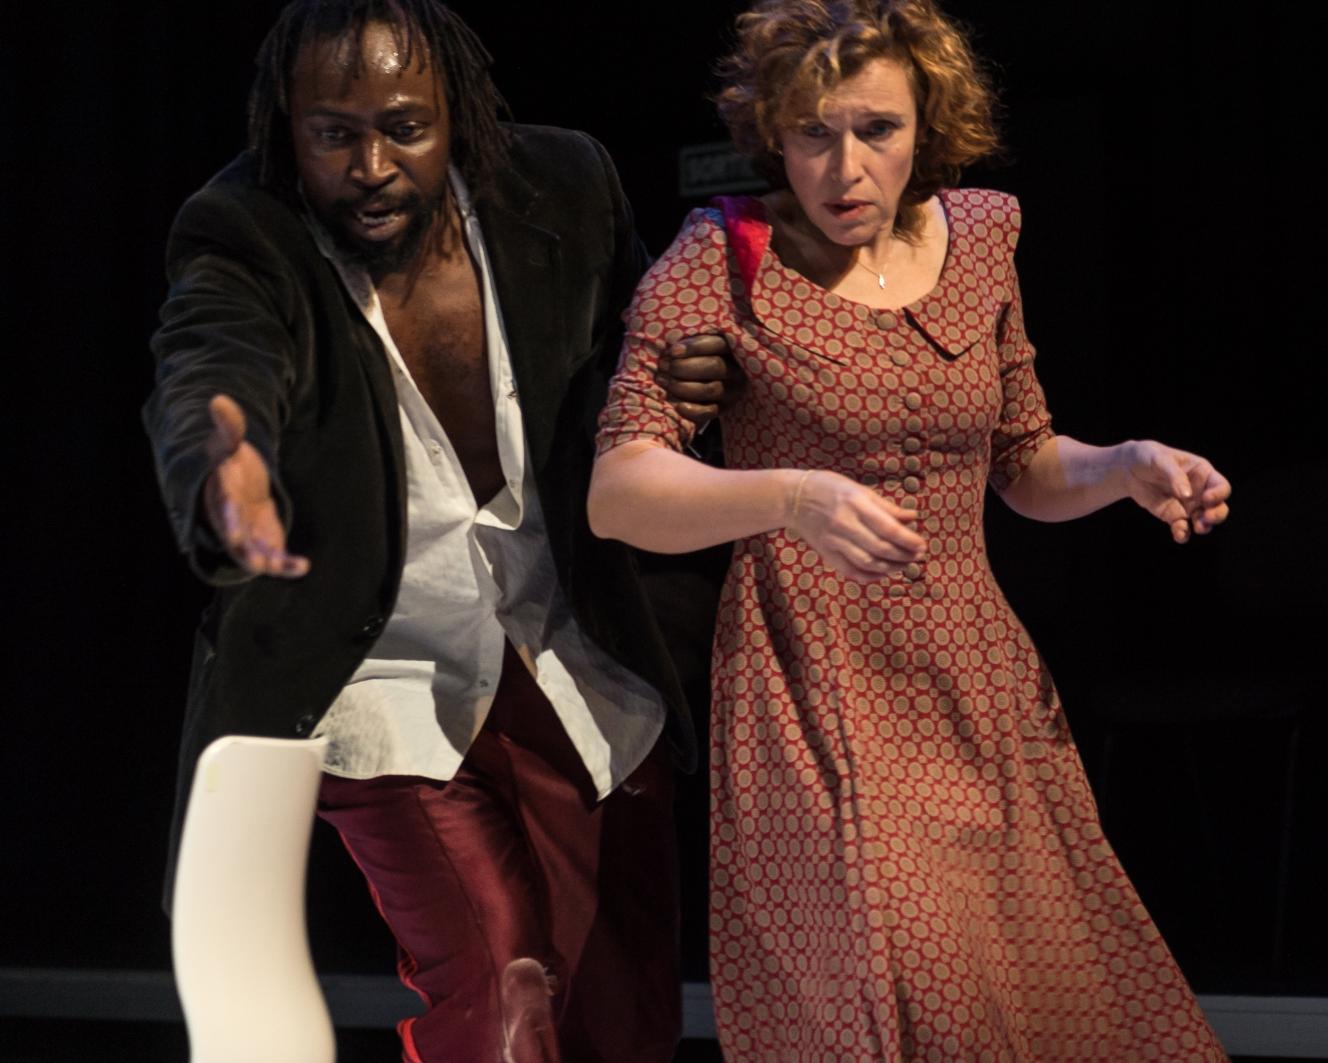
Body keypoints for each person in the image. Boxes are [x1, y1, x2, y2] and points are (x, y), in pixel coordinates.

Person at [588, 0, 1234, 1057]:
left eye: (876, 130)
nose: (843, 167)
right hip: (813, 682)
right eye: (812, 133)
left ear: (925, 126)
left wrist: (1122, 466)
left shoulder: (978, 239)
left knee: (1051, 993)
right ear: (773, 133)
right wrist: (791, 497)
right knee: (915, 993)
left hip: (975, 680)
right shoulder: (721, 256)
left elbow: (1024, 462)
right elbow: (620, 487)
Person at [142, 1, 723, 1058]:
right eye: (333, 134)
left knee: (621, 1014)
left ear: (456, 111)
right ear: (287, 125)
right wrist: (226, 464)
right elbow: (210, 364)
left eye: (404, 129)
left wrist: (675, 384)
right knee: (496, 982)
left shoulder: (565, 185)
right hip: (382, 674)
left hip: (574, 651)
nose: (370, 167)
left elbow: (639, 356)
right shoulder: (243, 228)